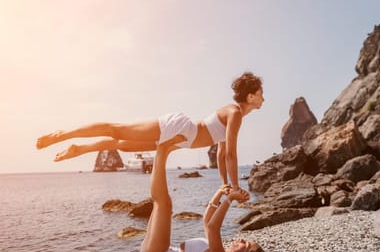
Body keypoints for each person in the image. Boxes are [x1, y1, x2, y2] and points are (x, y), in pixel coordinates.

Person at [36, 71, 264, 194]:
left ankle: (81, 148)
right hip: (180, 129)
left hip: (181, 140)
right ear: (250, 96)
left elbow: (221, 152)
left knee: (121, 144)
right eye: (260, 93)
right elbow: (230, 154)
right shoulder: (234, 113)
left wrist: (224, 183)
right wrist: (235, 187)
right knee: (115, 129)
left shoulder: (236, 115)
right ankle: (64, 134)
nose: (263, 98)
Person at [140, 138, 267, 252]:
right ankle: (162, 151)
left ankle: (162, 150)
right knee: (160, 203)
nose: (241, 239)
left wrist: (229, 199)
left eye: (245, 244)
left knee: (163, 204)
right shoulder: (220, 250)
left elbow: (213, 228)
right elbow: (207, 221)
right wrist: (219, 193)